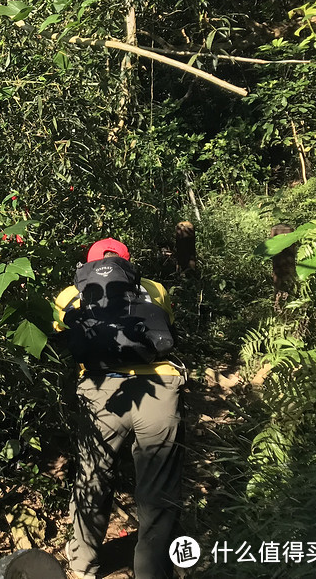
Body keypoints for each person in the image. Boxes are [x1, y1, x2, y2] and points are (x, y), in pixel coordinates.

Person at [53, 238, 184, 579]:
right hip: (157, 388)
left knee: (93, 478)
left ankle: (83, 565)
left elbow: (61, 329)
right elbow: (165, 328)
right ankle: (153, 572)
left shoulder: (70, 294)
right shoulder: (154, 288)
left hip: (99, 392)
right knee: (158, 491)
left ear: (88, 265)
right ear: (128, 263)